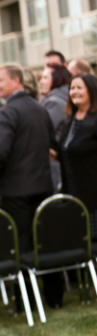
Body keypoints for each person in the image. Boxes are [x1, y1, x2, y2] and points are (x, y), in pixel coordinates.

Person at [0, 63, 56, 255]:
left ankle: (25, 284)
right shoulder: (39, 107)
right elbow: (52, 144)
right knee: (45, 239)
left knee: (21, 243)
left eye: (0, 80)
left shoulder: (8, 112)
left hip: (16, 190)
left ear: (16, 80)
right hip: (42, 185)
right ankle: (52, 285)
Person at [59, 74, 97, 240]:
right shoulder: (70, 120)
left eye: (79, 88)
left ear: (92, 91)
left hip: (93, 195)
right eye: (72, 88)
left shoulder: (94, 120)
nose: (74, 92)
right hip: (74, 194)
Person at [40, 64, 73, 141]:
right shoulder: (67, 96)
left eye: (45, 77)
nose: (41, 81)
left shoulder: (54, 103)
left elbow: (43, 131)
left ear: (56, 79)